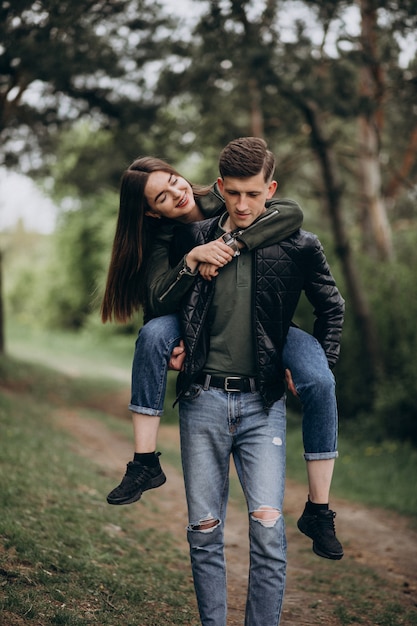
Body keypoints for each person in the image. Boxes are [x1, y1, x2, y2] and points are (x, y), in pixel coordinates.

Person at [102, 151, 344, 561]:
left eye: (175, 180)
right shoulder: (164, 239)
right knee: (152, 335)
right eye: (161, 197)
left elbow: (290, 212)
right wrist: (193, 260)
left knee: (320, 379)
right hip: (192, 320)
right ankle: (144, 461)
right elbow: (159, 300)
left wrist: (230, 241)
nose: (177, 194)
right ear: (149, 214)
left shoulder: (224, 198)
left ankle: (319, 510)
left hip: (267, 322)